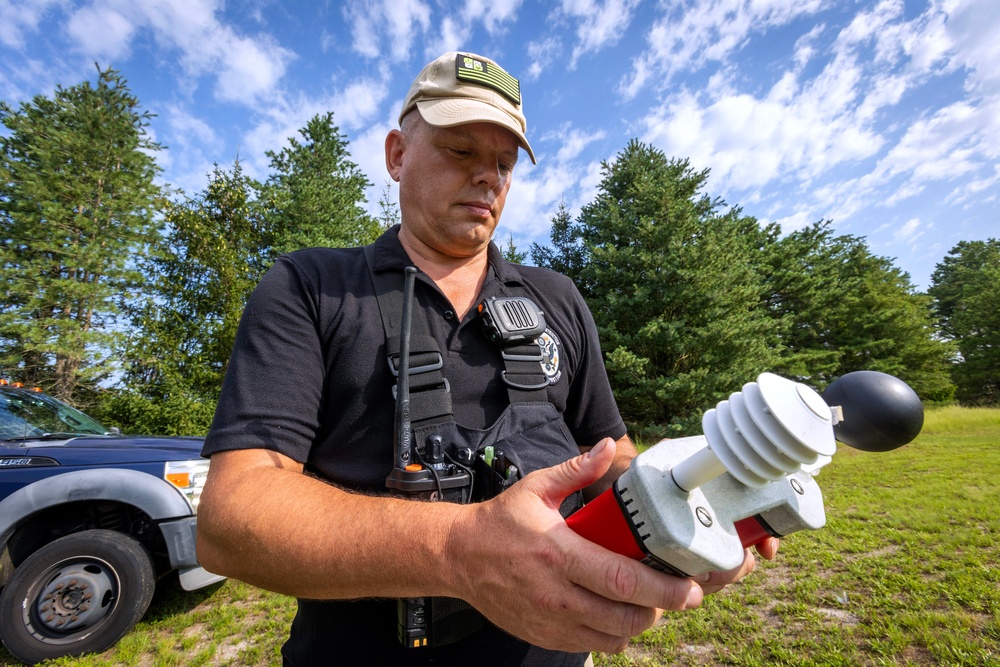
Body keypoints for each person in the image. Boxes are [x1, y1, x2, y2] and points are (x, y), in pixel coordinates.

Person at [196, 51, 778, 667]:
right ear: (397, 154)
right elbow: (232, 518)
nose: (489, 177)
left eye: (504, 162)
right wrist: (459, 551)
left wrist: (688, 489)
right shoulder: (311, 287)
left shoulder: (556, 297)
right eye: (461, 151)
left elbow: (614, 455)